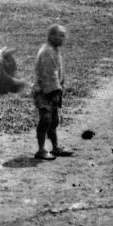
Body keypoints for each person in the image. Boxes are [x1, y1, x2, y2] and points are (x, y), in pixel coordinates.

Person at [32, 24, 73, 160]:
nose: (62, 38)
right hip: (44, 92)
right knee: (45, 119)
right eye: (59, 35)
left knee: (54, 121)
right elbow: (49, 75)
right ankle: (41, 150)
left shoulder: (54, 50)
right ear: (51, 36)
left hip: (53, 91)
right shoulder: (47, 52)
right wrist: (55, 92)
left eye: (63, 36)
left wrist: (59, 89)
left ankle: (55, 147)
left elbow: (58, 72)